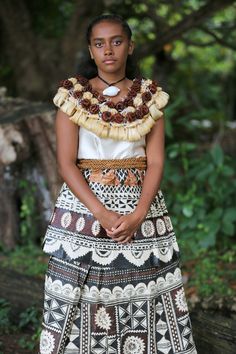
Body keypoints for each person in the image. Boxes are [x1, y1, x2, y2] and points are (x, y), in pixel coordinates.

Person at [39, 14, 197, 354]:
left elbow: (155, 161)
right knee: (80, 296)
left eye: (116, 41)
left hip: (142, 206)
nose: (108, 50)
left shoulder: (150, 99)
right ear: (91, 51)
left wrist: (140, 212)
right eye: (99, 43)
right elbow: (66, 163)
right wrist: (101, 213)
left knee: (145, 293)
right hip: (84, 208)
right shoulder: (72, 98)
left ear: (130, 46)